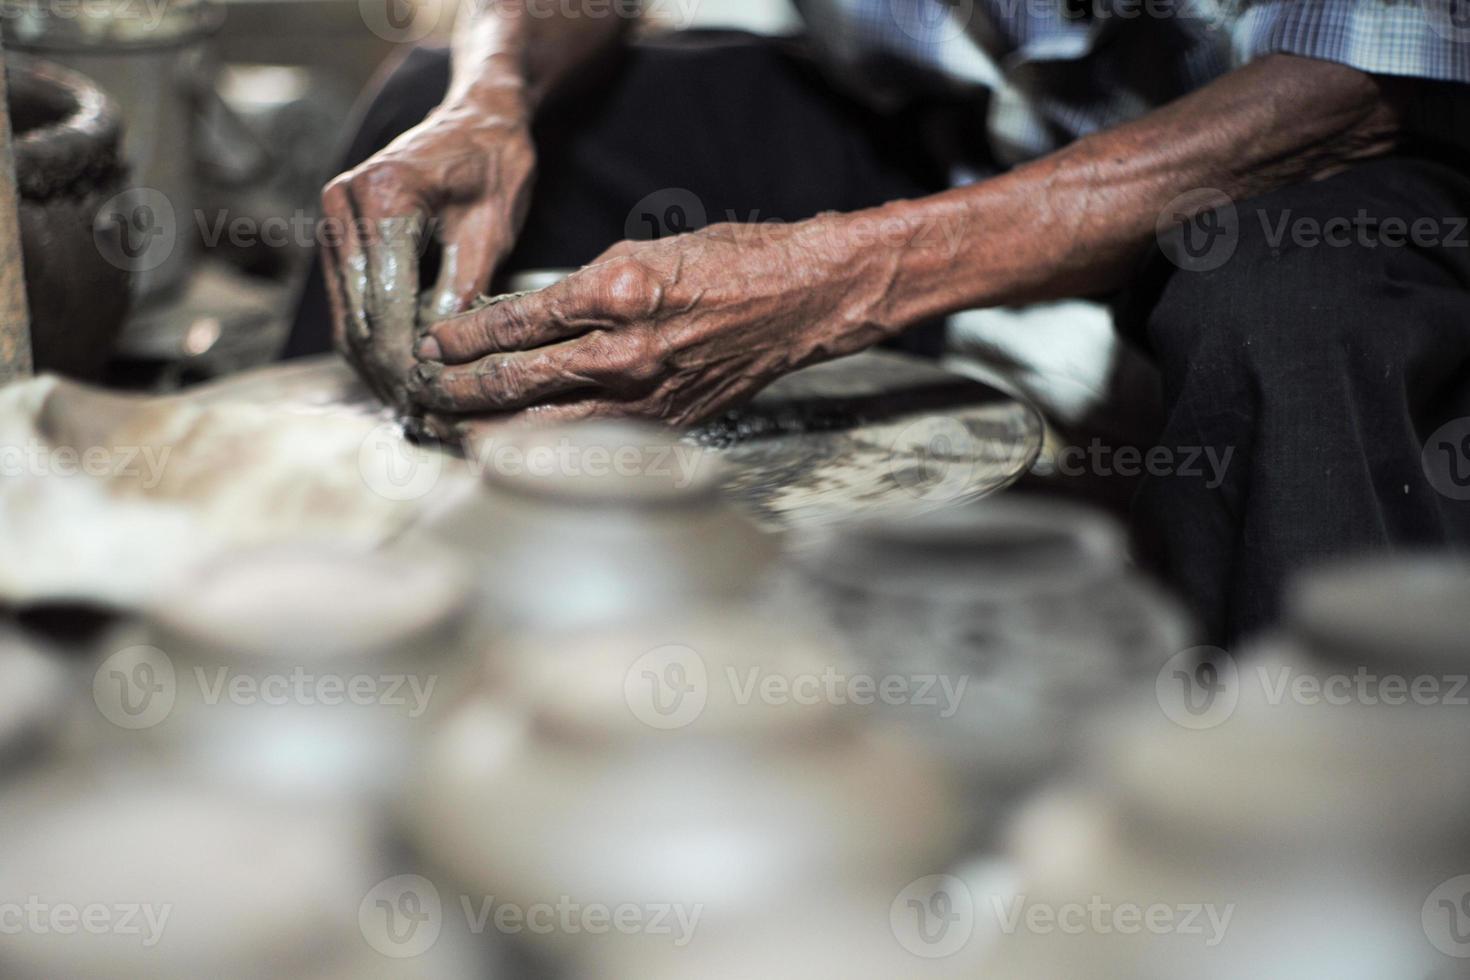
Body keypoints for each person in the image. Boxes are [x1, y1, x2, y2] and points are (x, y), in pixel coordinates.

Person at [288, 0, 1470, 645]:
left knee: (1293, 306)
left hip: (1295, 157)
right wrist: (487, 90)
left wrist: (844, 281)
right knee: (442, 108)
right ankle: (316, 617)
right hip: (963, 132)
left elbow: (1357, 88)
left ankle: (1312, 808)